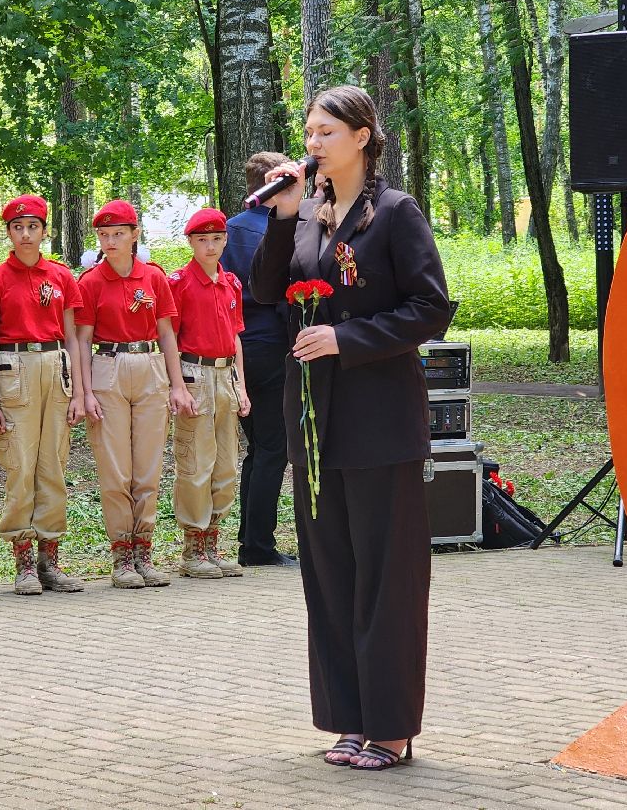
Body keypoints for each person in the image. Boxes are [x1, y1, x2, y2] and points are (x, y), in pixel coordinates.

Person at [250, 85, 451, 771]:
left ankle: (391, 729)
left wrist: (348, 338)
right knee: (331, 575)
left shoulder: (395, 213)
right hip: (315, 420)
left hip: (379, 419)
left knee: (385, 579)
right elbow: (268, 291)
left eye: (326, 132)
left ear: (363, 136)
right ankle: (349, 719)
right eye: (308, 132)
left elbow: (430, 308)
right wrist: (281, 218)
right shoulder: (306, 215)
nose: (312, 144)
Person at [74, 199, 194, 589]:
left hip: (149, 367)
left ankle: (144, 550)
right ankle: (121, 554)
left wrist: (177, 384)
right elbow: (81, 339)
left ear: (134, 235)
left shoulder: (154, 278)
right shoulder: (90, 282)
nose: (110, 242)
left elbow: (167, 334)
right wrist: (84, 391)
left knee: (147, 468)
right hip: (107, 367)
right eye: (104, 235)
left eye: (118, 234)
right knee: (116, 470)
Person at [0, 195, 86, 595]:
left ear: (45, 230)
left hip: (55, 369)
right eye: (17, 228)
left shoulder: (60, 276)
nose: (25, 235)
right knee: (20, 466)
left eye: (33, 227)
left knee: (53, 466)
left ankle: (50, 559)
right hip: (14, 369)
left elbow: (73, 336)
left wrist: (76, 391)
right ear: (8, 232)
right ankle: (23, 561)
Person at [168, 207, 251, 579]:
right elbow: (167, 336)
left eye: (217, 239)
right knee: (195, 463)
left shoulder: (230, 282)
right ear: (190, 242)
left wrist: (242, 385)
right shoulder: (180, 283)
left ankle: (214, 539)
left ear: (225, 241)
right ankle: (192, 545)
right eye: (202, 240)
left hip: (224, 375)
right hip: (193, 374)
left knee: (226, 465)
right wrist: (175, 385)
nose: (210, 246)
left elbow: (235, 336)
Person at [223, 151, 297, 567]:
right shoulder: (284, 229)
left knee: (259, 448)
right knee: (273, 448)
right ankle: (258, 546)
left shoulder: (227, 231)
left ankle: (251, 537)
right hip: (271, 345)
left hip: (236, 348)